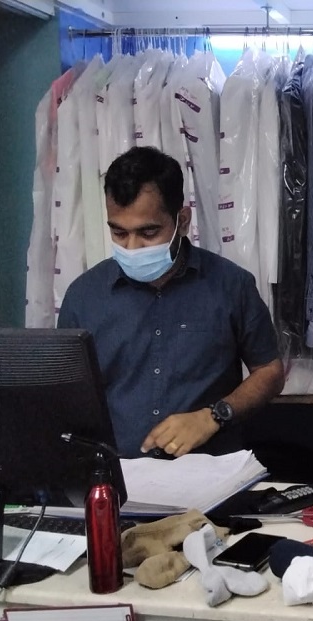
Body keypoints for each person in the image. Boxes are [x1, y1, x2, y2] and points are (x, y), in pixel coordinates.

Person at [58, 146, 284, 459]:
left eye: (149, 232)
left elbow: (269, 371)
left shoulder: (231, 285)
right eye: (119, 233)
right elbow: (66, 397)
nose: (133, 247)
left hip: (210, 474)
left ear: (183, 220)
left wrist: (214, 416)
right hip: (117, 475)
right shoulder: (83, 297)